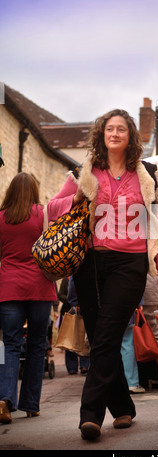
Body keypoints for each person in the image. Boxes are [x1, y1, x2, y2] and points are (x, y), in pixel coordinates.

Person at [47, 109, 158, 441]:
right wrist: (75, 198)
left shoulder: (148, 175)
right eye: (109, 128)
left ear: (131, 136)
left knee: (106, 336)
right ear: (101, 135)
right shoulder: (84, 172)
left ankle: (89, 416)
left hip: (130, 264)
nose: (115, 133)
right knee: (100, 336)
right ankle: (122, 407)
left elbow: (156, 229)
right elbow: (51, 208)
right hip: (89, 263)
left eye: (121, 129)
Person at [0, 172, 57, 424]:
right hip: (40, 288)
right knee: (36, 345)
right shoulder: (42, 215)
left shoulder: (0, 218)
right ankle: (31, 405)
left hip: (8, 288)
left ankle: (4, 399)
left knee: (9, 345)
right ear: (34, 190)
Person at [58, 277, 89, 375]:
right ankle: (72, 367)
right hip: (69, 311)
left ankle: (84, 366)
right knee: (70, 337)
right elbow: (61, 295)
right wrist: (72, 302)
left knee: (84, 338)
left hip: (84, 310)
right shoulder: (66, 280)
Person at [121, 304, 145, 394]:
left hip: (102, 314)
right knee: (127, 344)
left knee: (105, 346)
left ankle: (104, 382)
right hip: (125, 309)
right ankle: (131, 383)